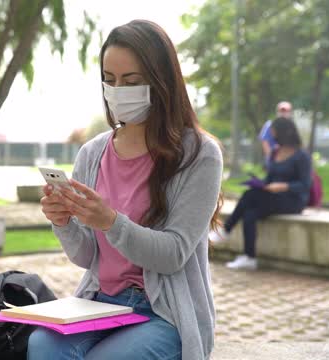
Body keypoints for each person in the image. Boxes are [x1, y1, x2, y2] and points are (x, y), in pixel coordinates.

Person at [28, 20, 223, 360]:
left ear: (161, 81)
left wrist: (111, 222)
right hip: (101, 303)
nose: (117, 90)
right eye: (109, 80)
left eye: (131, 81)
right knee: (41, 346)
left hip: (165, 312)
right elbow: (87, 257)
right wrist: (64, 223)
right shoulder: (92, 153)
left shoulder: (199, 154)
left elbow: (173, 253)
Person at [211, 117, 311, 270]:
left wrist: (284, 186)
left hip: (293, 201)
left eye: (274, 133)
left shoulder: (302, 155)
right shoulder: (275, 153)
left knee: (249, 195)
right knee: (250, 214)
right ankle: (249, 258)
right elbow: (270, 178)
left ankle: (226, 230)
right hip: (272, 198)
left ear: (283, 133)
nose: (271, 136)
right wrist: (262, 184)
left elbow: (305, 185)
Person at [259, 101, 292, 167]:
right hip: (274, 160)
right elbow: (264, 142)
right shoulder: (270, 125)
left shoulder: (291, 127)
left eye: (286, 111)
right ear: (277, 112)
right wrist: (272, 157)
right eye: (281, 111)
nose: (283, 113)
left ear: (290, 113)